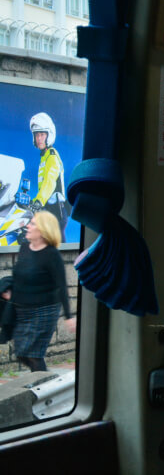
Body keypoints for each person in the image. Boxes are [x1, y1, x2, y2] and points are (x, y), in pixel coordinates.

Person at [8, 211, 75, 372]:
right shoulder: (24, 248)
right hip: (23, 310)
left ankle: (42, 386)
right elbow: (20, 275)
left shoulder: (51, 255)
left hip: (44, 311)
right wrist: (9, 292)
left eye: (32, 224)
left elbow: (61, 286)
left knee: (33, 354)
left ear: (43, 230)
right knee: (21, 353)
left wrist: (68, 316)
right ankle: (43, 381)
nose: (28, 226)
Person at [29, 112, 68, 242]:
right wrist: (33, 202)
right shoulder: (44, 157)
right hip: (49, 210)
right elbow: (42, 188)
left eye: (42, 134)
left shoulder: (51, 155)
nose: (39, 138)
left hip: (56, 211)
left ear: (49, 135)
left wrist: (39, 201)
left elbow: (49, 182)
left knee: (57, 250)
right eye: (36, 135)